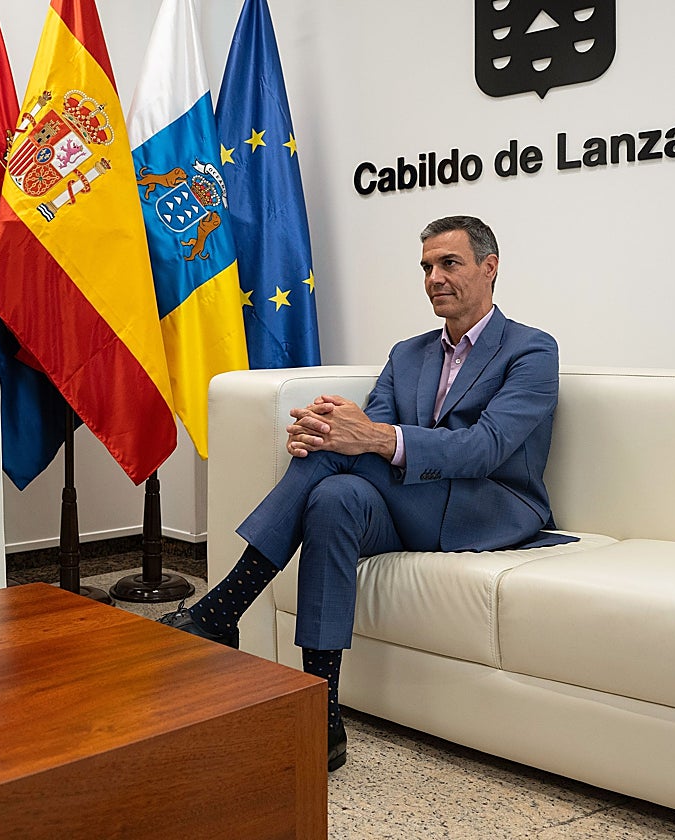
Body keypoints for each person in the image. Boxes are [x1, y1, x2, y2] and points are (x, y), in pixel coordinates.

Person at [159, 215, 574, 772]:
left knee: (338, 453)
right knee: (334, 498)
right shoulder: (408, 354)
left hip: (486, 507)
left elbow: (485, 448)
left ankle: (224, 606)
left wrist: (362, 436)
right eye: (426, 267)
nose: (434, 277)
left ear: (489, 267)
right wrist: (327, 428)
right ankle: (323, 710)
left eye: (448, 263)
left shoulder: (531, 350)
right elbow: (366, 438)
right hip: (409, 504)